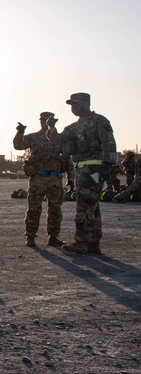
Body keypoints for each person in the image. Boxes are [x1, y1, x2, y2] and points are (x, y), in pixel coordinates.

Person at [59, 93, 117, 255]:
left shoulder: (99, 121)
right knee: (93, 205)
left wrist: (107, 164)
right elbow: (59, 139)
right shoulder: (74, 127)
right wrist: (51, 128)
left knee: (84, 203)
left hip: (95, 170)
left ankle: (81, 242)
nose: (73, 107)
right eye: (71, 105)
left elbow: (109, 142)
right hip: (82, 170)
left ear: (86, 103)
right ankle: (93, 242)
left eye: (76, 104)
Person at [13, 112, 65, 247]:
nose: (45, 123)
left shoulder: (58, 138)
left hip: (54, 177)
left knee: (55, 209)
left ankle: (53, 236)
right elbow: (18, 146)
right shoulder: (34, 137)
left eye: (48, 121)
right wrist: (20, 132)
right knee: (34, 209)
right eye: (43, 120)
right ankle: (30, 236)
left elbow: (66, 157)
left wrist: (71, 177)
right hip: (38, 177)